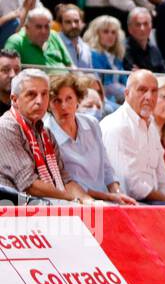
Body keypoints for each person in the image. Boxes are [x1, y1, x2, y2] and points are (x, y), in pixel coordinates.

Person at [0, 69, 96, 202]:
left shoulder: (46, 133)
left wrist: (88, 201)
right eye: (31, 94)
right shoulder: (5, 128)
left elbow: (65, 180)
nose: (39, 101)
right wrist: (74, 200)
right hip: (14, 214)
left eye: (44, 94)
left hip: (44, 209)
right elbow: (29, 184)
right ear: (15, 100)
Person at [44, 72, 134, 203]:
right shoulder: (45, 133)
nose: (64, 106)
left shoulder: (92, 123)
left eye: (69, 98)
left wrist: (118, 194)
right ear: (48, 105)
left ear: (78, 100)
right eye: (57, 101)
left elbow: (106, 167)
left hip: (104, 200)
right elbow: (65, 183)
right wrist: (109, 197)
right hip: (71, 202)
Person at [99, 70, 165, 203]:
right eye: (142, 90)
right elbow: (131, 187)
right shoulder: (117, 126)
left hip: (154, 203)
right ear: (127, 93)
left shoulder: (151, 127)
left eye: (154, 91)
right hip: (128, 207)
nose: (149, 97)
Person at [5, 7, 72, 67]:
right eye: (38, 27)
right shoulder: (16, 41)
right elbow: (7, 69)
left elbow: (70, 65)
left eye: (47, 26)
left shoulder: (53, 35)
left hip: (65, 79)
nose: (43, 31)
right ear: (27, 28)